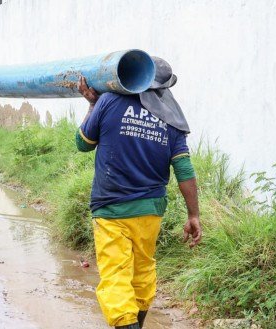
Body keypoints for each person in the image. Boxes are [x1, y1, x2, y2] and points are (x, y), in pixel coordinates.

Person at [76, 57, 202, 329]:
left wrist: (92, 105)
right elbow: (183, 168)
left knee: (116, 277)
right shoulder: (172, 119)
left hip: (111, 209)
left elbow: (83, 143)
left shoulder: (109, 101)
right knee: (143, 271)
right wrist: (194, 214)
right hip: (150, 212)